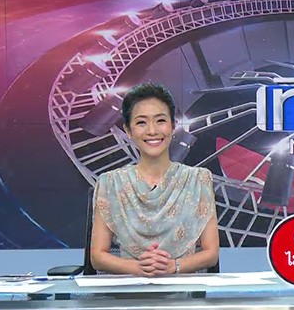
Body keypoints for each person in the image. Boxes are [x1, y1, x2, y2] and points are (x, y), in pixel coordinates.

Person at [90, 83, 219, 276]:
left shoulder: (198, 180)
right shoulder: (110, 183)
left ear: (173, 126)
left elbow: (211, 254)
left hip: (183, 288)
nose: (152, 131)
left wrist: (172, 266)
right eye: (141, 123)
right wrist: (138, 268)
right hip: (130, 287)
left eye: (160, 121)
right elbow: (98, 257)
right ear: (128, 130)